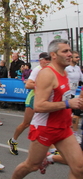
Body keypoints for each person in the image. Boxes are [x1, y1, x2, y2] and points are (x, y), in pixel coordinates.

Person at [12, 39, 83, 179]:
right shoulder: (47, 74)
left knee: (79, 168)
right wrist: (68, 104)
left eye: (70, 51)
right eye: (65, 51)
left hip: (63, 127)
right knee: (31, 166)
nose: (70, 54)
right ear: (54, 55)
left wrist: (76, 102)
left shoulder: (65, 73)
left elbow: (64, 98)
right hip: (45, 128)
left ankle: (49, 158)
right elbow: (39, 106)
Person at [8, 52, 51, 155]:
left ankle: (53, 149)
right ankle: (13, 141)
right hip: (33, 98)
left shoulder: (50, 70)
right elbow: (28, 85)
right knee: (26, 123)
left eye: (50, 59)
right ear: (41, 60)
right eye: (46, 59)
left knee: (48, 124)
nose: (49, 61)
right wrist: (43, 85)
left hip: (45, 99)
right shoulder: (37, 70)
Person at [65, 51, 83, 142]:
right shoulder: (67, 68)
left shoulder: (77, 68)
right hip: (67, 94)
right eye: (76, 57)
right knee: (67, 115)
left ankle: (75, 133)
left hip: (75, 93)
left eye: (78, 57)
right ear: (71, 58)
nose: (78, 59)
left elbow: (81, 78)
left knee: (77, 114)